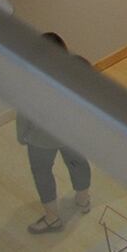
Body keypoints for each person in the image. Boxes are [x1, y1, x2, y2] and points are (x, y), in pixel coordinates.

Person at [18, 33, 92, 234]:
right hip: (72, 133)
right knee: (77, 163)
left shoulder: (31, 78)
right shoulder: (78, 69)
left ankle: (52, 218)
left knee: (42, 173)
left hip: (41, 138)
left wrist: (22, 135)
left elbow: (24, 111)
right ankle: (83, 199)